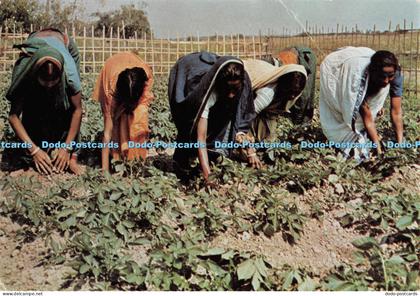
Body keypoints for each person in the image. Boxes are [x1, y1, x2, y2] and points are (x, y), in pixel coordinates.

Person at [168, 52, 260, 182]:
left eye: (235, 90)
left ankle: (211, 154)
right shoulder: (206, 94)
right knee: (190, 130)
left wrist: (251, 151)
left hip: (220, 92)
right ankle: (182, 161)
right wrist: (208, 176)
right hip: (187, 73)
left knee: (222, 120)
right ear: (220, 83)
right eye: (228, 90)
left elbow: (241, 118)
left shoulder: (243, 82)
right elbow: (201, 138)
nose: (231, 95)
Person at [6, 28, 83, 175]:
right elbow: (13, 116)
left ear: (60, 75)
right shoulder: (24, 70)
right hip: (36, 41)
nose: (49, 85)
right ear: (35, 73)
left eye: (54, 80)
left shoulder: (70, 73)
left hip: (63, 43)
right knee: (34, 105)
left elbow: (78, 110)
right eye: (44, 80)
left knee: (67, 106)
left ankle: (73, 155)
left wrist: (67, 148)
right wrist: (34, 150)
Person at [319, 47, 404, 161]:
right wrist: (378, 150)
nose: (386, 81)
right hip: (338, 69)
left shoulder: (396, 74)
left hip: (367, 72)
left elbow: (396, 111)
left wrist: (400, 144)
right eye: (382, 76)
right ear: (373, 72)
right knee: (348, 115)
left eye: (390, 76)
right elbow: (367, 117)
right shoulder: (358, 79)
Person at [92, 52, 154, 172]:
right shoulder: (110, 92)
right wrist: (105, 170)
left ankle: (136, 158)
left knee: (138, 116)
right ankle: (117, 155)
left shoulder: (145, 77)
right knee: (115, 122)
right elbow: (107, 133)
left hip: (134, 70)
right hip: (111, 70)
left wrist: (132, 106)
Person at [243, 59, 307, 142]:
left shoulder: (294, 91)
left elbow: (272, 115)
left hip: (262, 107)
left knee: (268, 138)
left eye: (296, 93)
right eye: (290, 91)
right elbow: (248, 115)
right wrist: (242, 135)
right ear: (283, 85)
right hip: (248, 100)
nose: (292, 96)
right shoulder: (267, 93)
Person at [264, 46, 317, 125]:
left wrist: (298, 120)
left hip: (305, 58)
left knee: (306, 93)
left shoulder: (296, 69)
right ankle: (294, 116)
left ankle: (303, 121)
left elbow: (304, 96)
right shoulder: (275, 72)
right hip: (293, 59)